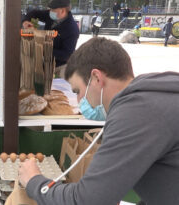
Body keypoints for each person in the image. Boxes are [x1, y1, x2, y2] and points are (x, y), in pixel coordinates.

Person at [19, 37, 179, 204]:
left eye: (77, 90)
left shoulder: (137, 112)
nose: (79, 100)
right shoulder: (154, 95)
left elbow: (87, 200)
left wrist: (34, 181)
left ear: (96, 78)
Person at [22, 0, 79, 77]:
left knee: (58, 87)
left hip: (60, 67)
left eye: (52, 9)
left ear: (62, 11)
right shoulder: (50, 15)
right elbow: (34, 13)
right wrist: (26, 21)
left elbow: (66, 55)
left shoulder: (72, 29)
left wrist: (44, 48)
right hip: (44, 62)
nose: (50, 11)